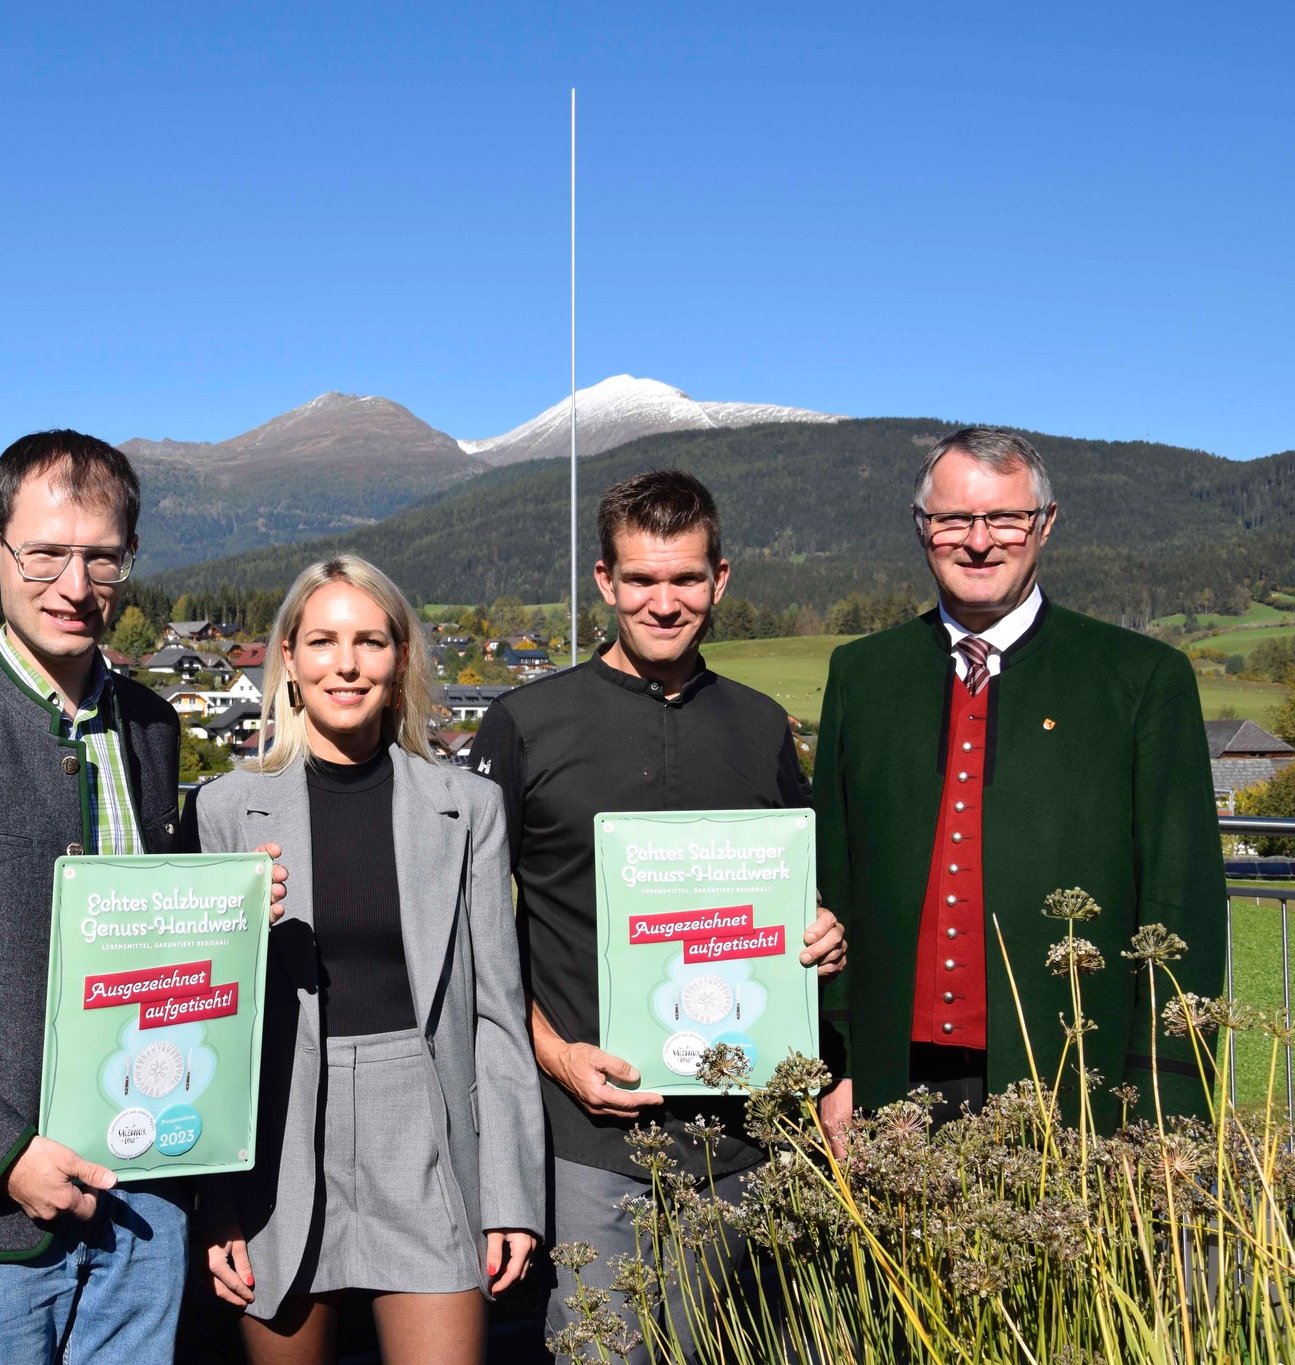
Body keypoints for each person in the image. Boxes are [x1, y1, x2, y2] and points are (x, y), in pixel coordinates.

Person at [0, 430, 283, 1365]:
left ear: (129, 562)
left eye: (102, 556)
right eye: (47, 553)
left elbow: (160, 951)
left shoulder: (152, 728)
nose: (75, 583)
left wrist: (232, 915)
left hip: (145, 1200)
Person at [466, 469, 847, 1359]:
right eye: (641, 579)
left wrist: (822, 934)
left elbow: (802, 896)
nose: (663, 602)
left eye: (684, 579)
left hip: (746, 1139)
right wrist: (555, 1056)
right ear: (605, 581)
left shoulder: (761, 726)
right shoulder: (526, 725)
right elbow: (468, 935)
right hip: (590, 1138)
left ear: (721, 579)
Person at [813, 428, 1225, 1130]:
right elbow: (833, 889)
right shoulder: (861, 675)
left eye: (1006, 517)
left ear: (1046, 523)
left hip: (1076, 1086)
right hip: (892, 1081)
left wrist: (1167, 1105)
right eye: (953, 519)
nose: (979, 541)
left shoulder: (1141, 680)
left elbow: (1178, 902)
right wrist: (834, 1067)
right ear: (922, 528)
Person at [191, 554, 542, 1364]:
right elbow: (201, 1022)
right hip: (276, 1145)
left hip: (426, 1136)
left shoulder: (468, 807)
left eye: (370, 641)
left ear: (402, 658)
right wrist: (214, 1201)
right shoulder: (222, 810)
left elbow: (497, 1011)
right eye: (322, 640)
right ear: (288, 657)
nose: (345, 664)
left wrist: (512, 1193)